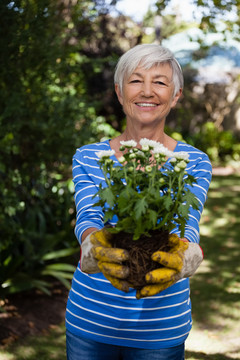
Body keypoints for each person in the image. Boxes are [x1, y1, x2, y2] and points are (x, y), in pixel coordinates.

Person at [65, 44, 212, 360]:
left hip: (160, 328)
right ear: (120, 92)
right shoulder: (90, 156)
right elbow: (88, 216)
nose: (147, 91)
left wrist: (188, 254)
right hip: (91, 321)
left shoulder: (194, 161)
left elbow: (188, 223)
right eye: (135, 80)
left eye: (160, 82)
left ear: (175, 95)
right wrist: (93, 247)